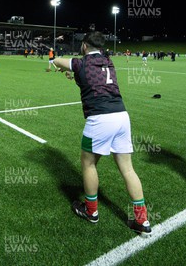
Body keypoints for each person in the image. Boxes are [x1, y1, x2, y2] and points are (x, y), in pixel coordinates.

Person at [53, 31, 152, 236]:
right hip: (121, 116)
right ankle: (142, 221)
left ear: (85, 46)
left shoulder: (81, 63)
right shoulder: (108, 62)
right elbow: (92, 81)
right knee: (127, 169)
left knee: (88, 164)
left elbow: (58, 60)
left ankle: (91, 212)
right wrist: (74, 76)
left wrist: (57, 64)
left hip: (100, 119)